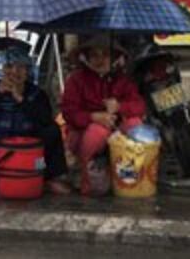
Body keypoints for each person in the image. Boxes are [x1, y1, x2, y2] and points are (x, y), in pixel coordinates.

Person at [0, 47, 71, 197]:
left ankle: (49, 178)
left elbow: (45, 118)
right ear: (2, 70)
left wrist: (21, 99)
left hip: (29, 145)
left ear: (27, 71)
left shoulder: (36, 93)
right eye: (9, 67)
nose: (14, 72)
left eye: (20, 67)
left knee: (52, 130)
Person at [60, 38, 146, 195]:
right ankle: (86, 177)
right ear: (86, 57)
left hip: (117, 133)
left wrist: (120, 107)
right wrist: (93, 117)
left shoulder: (122, 80)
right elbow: (69, 113)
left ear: (114, 57)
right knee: (97, 131)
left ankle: (133, 176)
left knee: (136, 125)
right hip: (84, 135)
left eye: (105, 54)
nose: (100, 60)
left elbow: (139, 106)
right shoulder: (76, 80)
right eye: (94, 55)